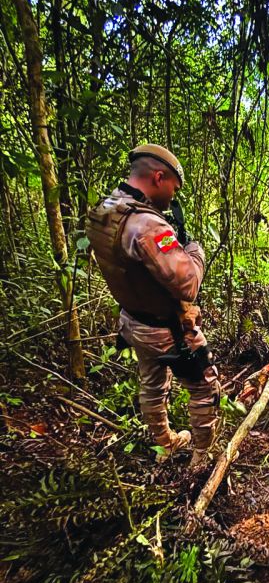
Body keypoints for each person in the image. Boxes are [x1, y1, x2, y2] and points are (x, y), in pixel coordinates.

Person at [87, 144, 220, 468]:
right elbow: (187, 283)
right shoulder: (147, 225)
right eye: (173, 187)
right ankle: (203, 458)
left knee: (152, 381)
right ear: (159, 177)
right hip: (166, 329)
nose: (173, 197)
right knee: (205, 386)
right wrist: (195, 252)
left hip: (132, 322)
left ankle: (165, 442)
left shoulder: (105, 210)